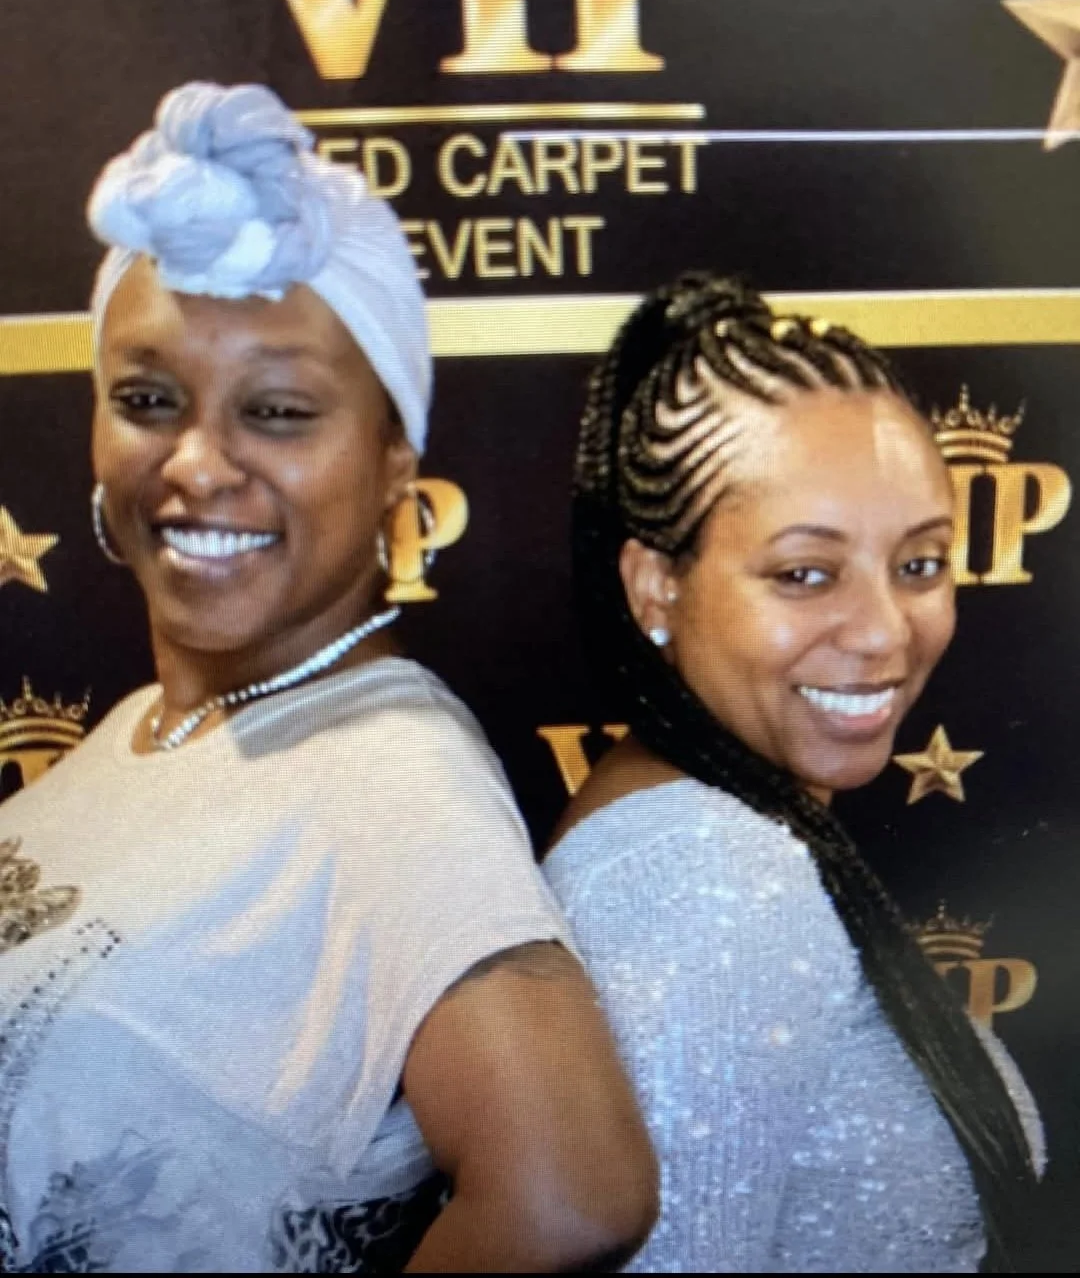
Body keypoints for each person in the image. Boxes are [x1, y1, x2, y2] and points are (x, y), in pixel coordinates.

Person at [0, 82, 657, 1273]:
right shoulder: (148, 727)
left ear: (394, 456)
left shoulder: (389, 773)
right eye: (147, 399)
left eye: (280, 411)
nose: (198, 463)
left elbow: (575, 1195)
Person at [543, 273, 1044, 1273]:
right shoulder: (716, 885)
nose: (883, 632)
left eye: (921, 563)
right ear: (657, 586)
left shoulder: (707, 825)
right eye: (805, 573)